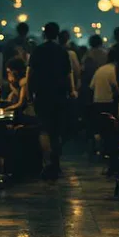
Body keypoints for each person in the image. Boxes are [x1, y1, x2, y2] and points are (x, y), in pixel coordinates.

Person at [28, 21, 75, 180]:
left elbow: (30, 73)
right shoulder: (62, 51)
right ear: (57, 34)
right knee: (57, 130)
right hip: (60, 95)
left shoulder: (38, 51)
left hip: (42, 94)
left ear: (44, 34)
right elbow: (69, 74)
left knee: (44, 128)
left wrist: (29, 93)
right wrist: (72, 91)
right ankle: (56, 162)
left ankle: (47, 162)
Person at [90, 49, 119, 116]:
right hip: (108, 102)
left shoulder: (100, 69)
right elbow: (115, 87)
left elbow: (92, 86)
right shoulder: (113, 69)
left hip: (96, 101)